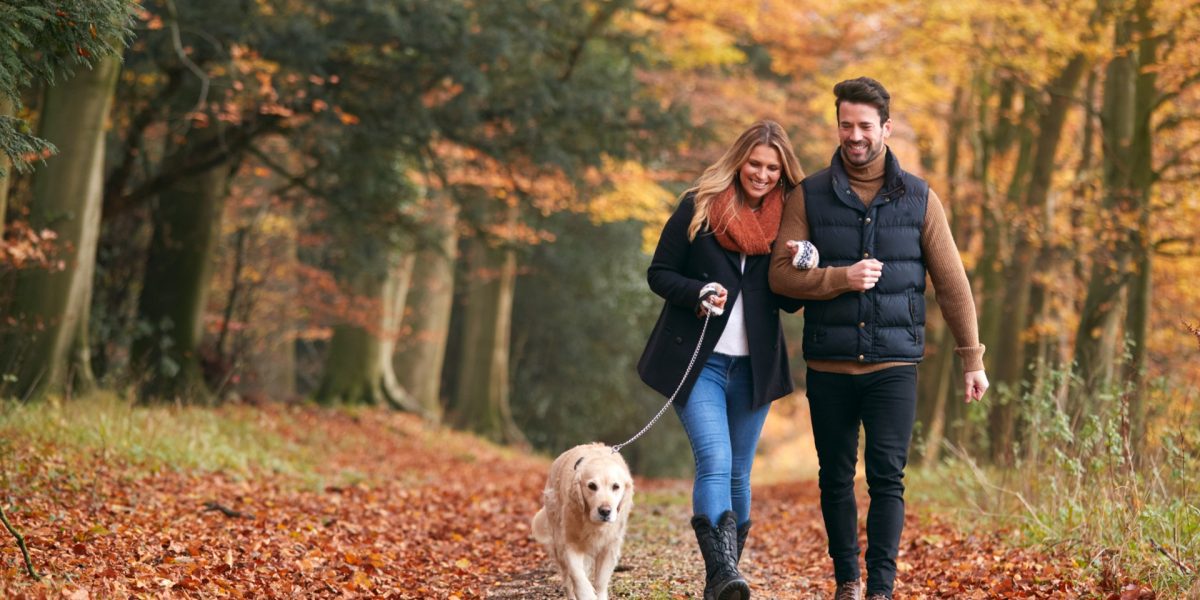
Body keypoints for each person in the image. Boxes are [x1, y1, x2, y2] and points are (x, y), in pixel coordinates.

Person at [768, 78, 989, 600]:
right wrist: (839, 278)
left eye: (865, 126)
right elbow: (779, 276)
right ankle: (848, 581)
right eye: (846, 125)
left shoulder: (919, 198)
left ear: (885, 128)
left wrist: (972, 359)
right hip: (829, 365)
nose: (855, 135)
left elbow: (952, 283)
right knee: (835, 478)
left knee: (888, 477)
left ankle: (881, 588)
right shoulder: (808, 195)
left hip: (894, 366)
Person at [638, 120, 804, 600]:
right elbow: (659, 273)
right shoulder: (701, 205)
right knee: (715, 460)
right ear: (739, 160)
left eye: (772, 168)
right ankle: (722, 575)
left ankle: (725, 580)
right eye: (755, 163)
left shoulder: (789, 220)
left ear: (782, 172)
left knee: (739, 474)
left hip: (755, 368)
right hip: (699, 363)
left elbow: (790, 302)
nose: (762, 175)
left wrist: (803, 264)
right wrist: (697, 291)